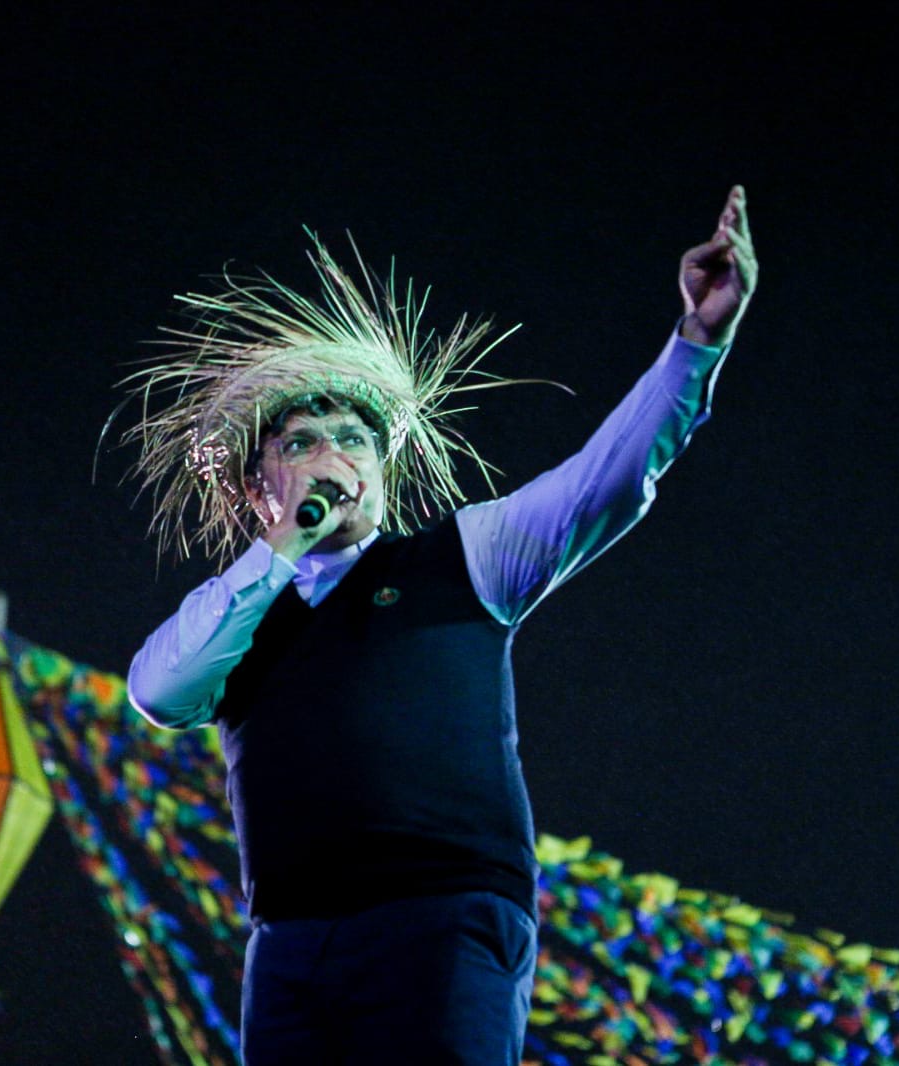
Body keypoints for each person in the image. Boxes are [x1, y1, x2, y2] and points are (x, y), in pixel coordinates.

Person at [120, 187, 757, 1064]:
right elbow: (159, 692)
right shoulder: (241, 610)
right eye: (300, 441)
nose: (333, 455)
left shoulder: (462, 557)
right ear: (252, 483)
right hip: (293, 942)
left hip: (444, 913)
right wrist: (276, 548)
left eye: (354, 437)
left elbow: (606, 482)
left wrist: (697, 344)